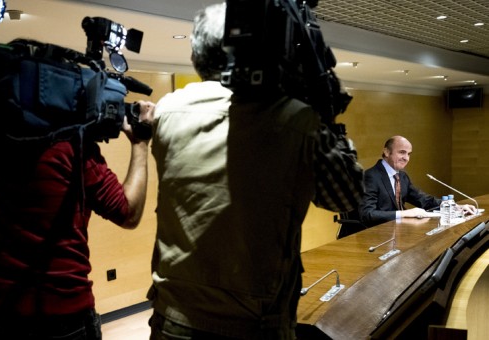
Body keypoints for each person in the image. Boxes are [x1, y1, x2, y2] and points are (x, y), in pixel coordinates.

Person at [147, 2, 364, 339]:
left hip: (172, 318)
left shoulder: (168, 109)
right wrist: (325, 113)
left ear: (196, 57)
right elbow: (346, 196)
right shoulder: (296, 120)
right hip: (255, 326)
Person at [0, 86, 155, 340]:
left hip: (0, 310)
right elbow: (129, 214)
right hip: (64, 311)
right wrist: (140, 143)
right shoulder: (73, 148)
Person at [359, 135, 476, 227]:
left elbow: (423, 200)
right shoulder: (370, 177)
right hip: (376, 235)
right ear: (386, 152)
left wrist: (455, 207)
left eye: (409, 154)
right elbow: (367, 214)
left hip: (399, 231)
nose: (406, 158)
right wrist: (405, 213)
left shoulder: (402, 176)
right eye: (402, 152)